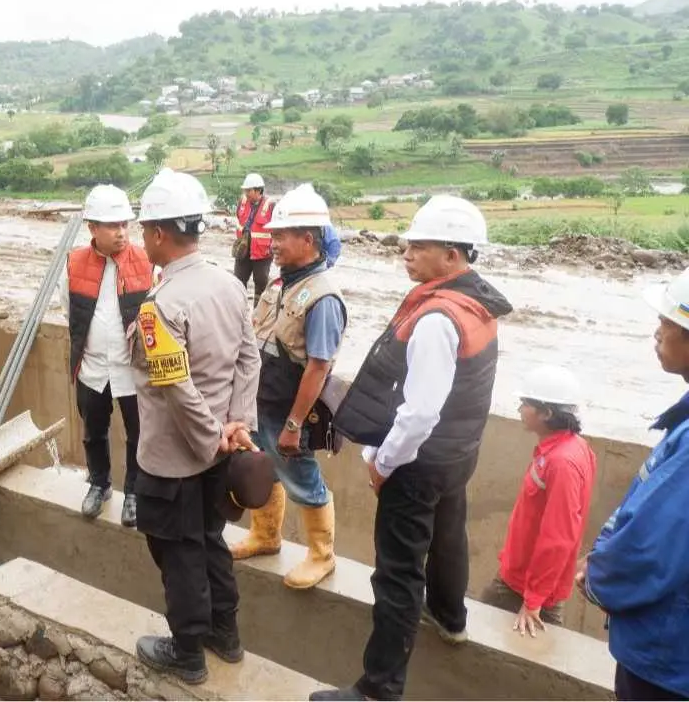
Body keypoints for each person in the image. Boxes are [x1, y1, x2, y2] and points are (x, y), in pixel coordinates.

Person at [314, 195, 513, 702]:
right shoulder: (479, 307)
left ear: (452, 256)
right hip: (458, 453)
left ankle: (378, 688)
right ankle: (450, 617)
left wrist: (384, 461)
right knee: (448, 533)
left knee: (398, 576)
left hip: (420, 461)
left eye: (418, 246)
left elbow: (420, 411)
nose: (406, 252)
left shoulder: (436, 320)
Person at [130, 169, 261, 685]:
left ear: (159, 234)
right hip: (219, 451)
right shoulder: (229, 285)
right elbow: (249, 360)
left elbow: (176, 387)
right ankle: (224, 635)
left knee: (178, 551)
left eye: (144, 231)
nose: (143, 240)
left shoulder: (159, 306)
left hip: (175, 459)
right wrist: (236, 425)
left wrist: (210, 438)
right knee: (209, 540)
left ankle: (187, 652)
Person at [577, 268, 689, 701]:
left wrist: (599, 577)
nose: (656, 334)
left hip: (667, 662)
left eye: (667, 324)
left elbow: (651, 549)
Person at [229, 183, 346, 591]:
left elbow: (318, 366)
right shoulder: (282, 284)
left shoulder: (323, 297)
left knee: (301, 475)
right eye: (273, 235)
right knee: (268, 469)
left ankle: (321, 555)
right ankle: (266, 535)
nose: (272, 243)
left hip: (287, 407)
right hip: (263, 398)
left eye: (280, 236)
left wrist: (295, 423)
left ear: (308, 239)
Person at [60, 184, 153, 526]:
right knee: (93, 432)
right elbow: (69, 311)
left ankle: (134, 492)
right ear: (92, 229)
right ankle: (99, 484)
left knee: (138, 434)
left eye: (125, 224)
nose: (121, 232)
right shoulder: (73, 264)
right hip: (93, 369)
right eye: (113, 226)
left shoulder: (145, 261)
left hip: (132, 369)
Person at [482, 364, 595, 637]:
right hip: (520, 578)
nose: (520, 409)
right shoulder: (566, 449)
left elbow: (558, 537)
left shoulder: (562, 463)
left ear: (547, 413)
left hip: (524, 589)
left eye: (526, 403)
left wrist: (533, 602)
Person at [232, 172, 274, 304]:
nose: (246, 193)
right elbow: (239, 221)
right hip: (244, 250)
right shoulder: (242, 202)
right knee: (238, 281)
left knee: (261, 283)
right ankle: (239, 310)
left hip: (262, 253)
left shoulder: (270, 205)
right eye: (245, 190)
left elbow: (276, 230)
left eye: (249, 190)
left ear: (258, 190)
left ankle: (258, 315)